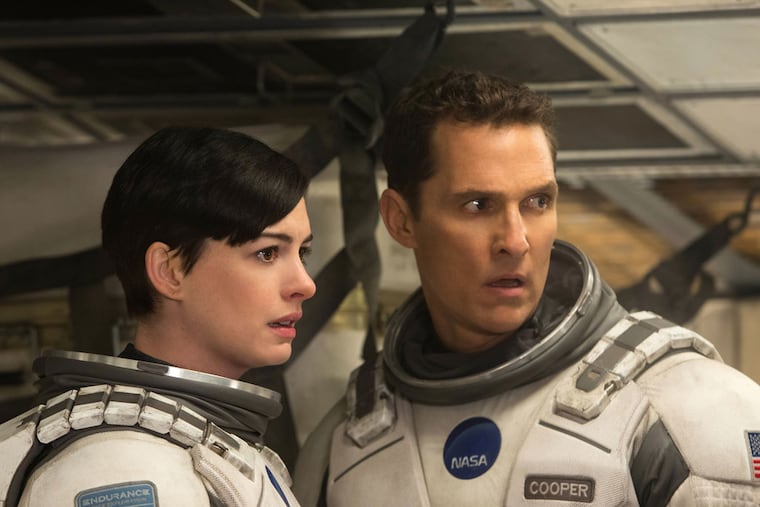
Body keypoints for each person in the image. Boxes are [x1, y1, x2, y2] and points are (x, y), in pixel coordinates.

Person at [292, 70, 760, 506]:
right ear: (400, 220)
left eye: (537, 201)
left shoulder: (686, 411)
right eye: (478, 205)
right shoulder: (344, 447)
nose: (515, 241)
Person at [0, 126, 316, 506]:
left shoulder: (184, 449)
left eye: (303, 253)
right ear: (169, 272)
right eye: (267, 253)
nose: (305, 284)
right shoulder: (124, 468)